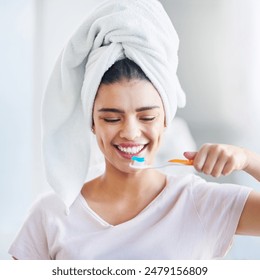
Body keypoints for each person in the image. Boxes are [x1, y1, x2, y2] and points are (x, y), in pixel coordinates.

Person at [9, 0, 260, 259]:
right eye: (111, 119)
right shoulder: (50, 215)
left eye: (147, 116)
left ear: (166, 118)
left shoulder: (199, 202)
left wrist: (247, 159)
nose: (130, 132)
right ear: (92, 123)